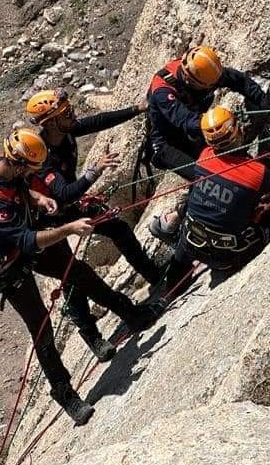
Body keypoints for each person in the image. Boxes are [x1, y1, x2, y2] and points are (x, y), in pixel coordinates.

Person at [0, 128, 159, 426]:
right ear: (18, 162)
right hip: (8, 263)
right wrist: (69, 229)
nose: (35, 173)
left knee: (80, 274)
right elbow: (28, 241)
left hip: (23, 238)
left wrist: (38, 200)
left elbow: (21, 187)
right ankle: (65, 393)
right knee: (42, 328)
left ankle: (131, 314)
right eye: (31, 169)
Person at [25, 89, 166, 359]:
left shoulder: (65, 131)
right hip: (45, 225)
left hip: (65, 209)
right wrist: (94, 172)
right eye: (66, 113)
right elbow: (65, 192)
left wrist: (137, 108)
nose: (73, 114)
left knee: (117, 229)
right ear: (51, 122)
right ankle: (92, 338)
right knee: (70, 276)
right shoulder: (41, 155)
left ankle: (154, 275)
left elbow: (98, 121)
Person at [144, 46, 265, 241]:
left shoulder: (205, 72)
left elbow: (239, 81)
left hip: (192, 138)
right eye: (208, 87)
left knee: (225, 170)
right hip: (165, 146)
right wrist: (221, 122)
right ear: (191, 80)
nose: (213, 87)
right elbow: (187, 122)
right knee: (207, 180)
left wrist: (266, 105)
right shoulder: (163, 90)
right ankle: (169, 224)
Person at [163, 107, 270, 283]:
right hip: (226, 258)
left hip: (191, 242)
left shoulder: (204, 156)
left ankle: (172, 285)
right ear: (238, 130)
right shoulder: (259, 173)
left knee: (186, 241)